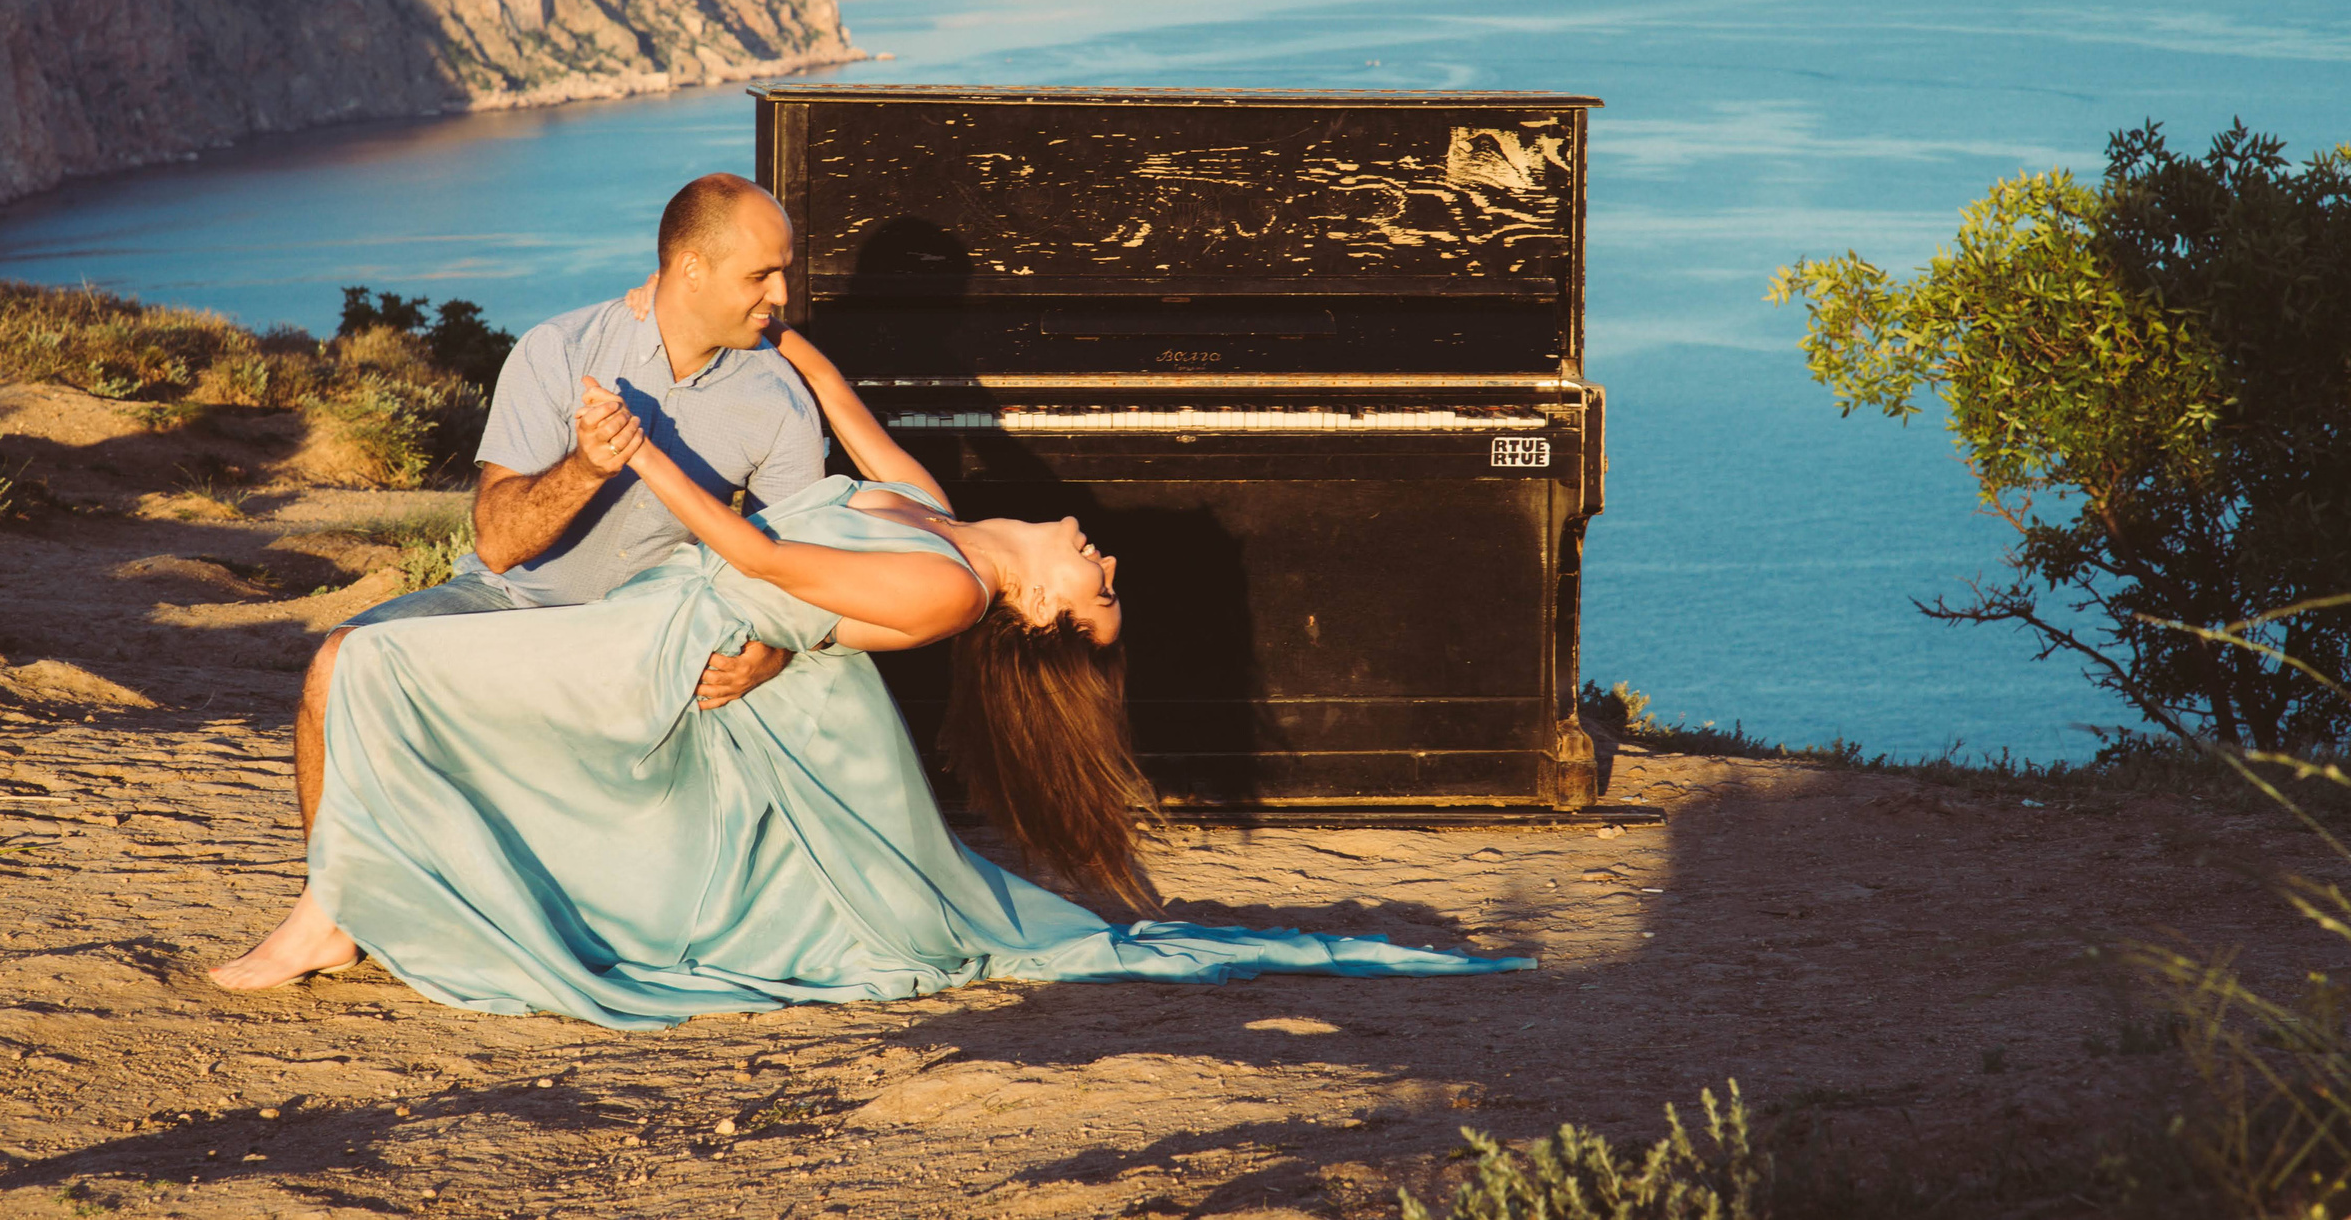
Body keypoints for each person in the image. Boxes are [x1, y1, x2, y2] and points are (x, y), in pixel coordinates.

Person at [210, 307, 1533, 1016]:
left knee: (375, 672)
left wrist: (644, 447)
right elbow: (861, 442)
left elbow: (775, 568)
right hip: (678, 611)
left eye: (1097, 597)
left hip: (662, 630)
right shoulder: (950, 526)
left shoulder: (951, 585)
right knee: (389, 670)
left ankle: (333, 914)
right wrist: (783, 339)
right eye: (1112, 580)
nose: (1106, 564)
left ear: (1036, 615)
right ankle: (351, 899)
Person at [269, 173, 820, 839]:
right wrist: (586, 468)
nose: (781, 295)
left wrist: (770, 652)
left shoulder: (780, 400)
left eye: (783, 272)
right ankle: (331, 910)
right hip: (508, 608)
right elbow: (498, 544)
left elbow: (795, 566)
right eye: (761, 275)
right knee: (337, 665)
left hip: (650, 638)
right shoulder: (560, 350)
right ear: (691, 269)